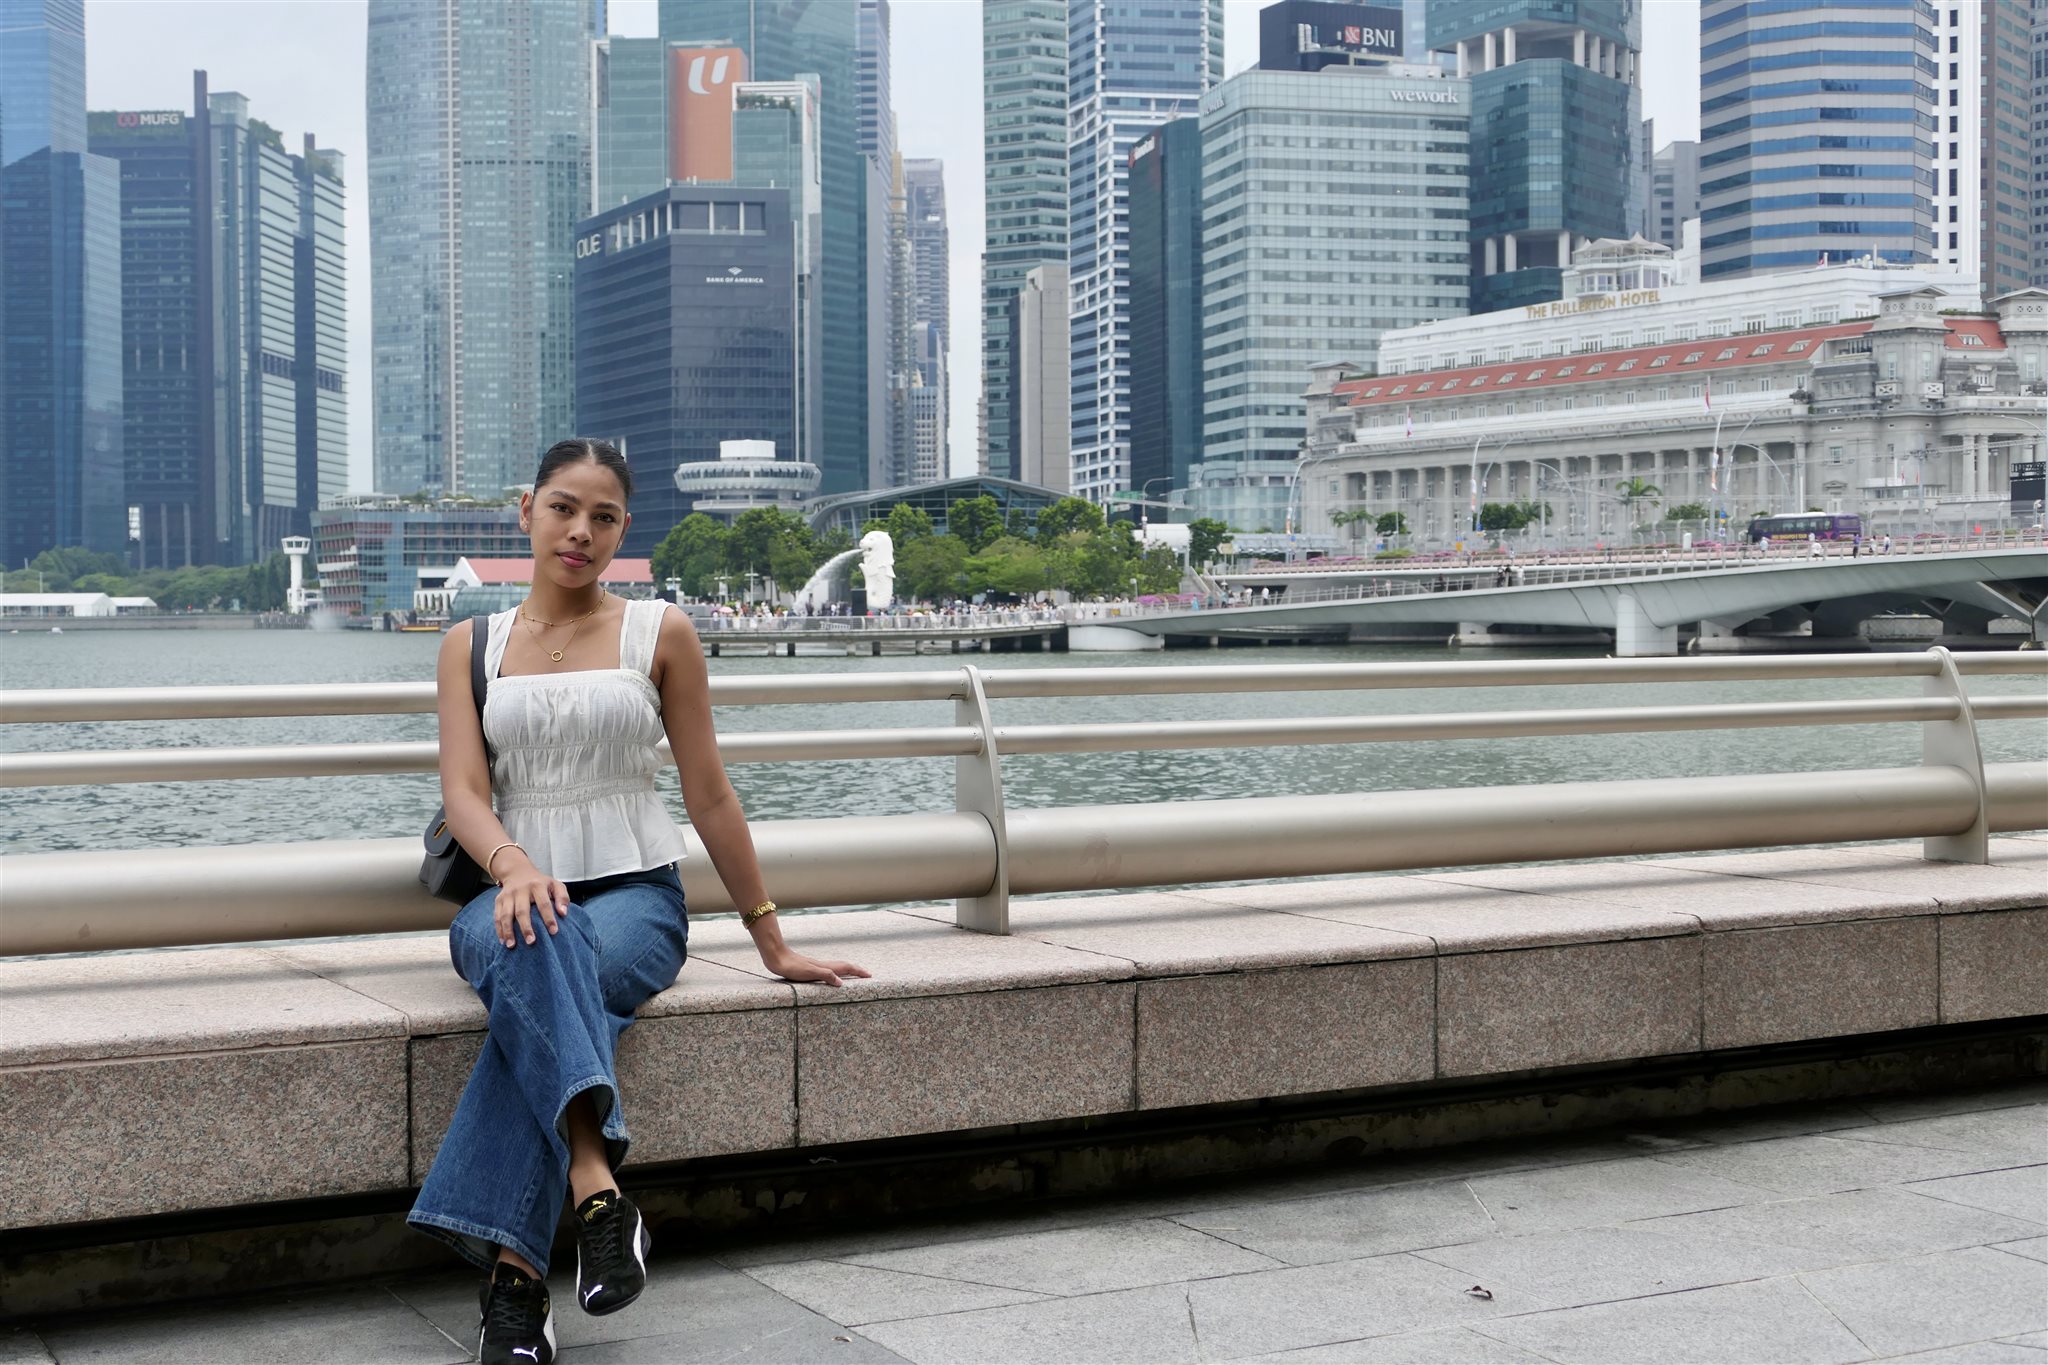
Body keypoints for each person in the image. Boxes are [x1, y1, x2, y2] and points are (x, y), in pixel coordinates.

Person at [409, 438, 868, 1364]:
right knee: (541, 936)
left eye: (604, 516)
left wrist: (770, 938)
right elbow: (463, 791)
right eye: (563, 508)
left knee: (551, 968)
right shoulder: (471, 644)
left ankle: (515, 1285)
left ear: (624, 530)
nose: (581, 531)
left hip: (636, 900)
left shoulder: (661, 632)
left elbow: (710, 794)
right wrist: (514, 866)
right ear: (527, 510)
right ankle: (596, 1184)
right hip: (504, 898)